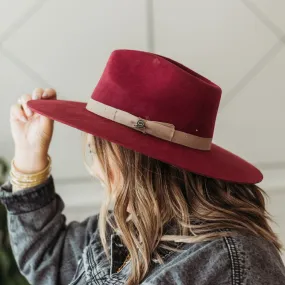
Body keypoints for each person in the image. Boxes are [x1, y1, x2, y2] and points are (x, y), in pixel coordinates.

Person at [0, 49, 285, 285]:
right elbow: (52, 261)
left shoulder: (233, 261)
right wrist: (28, 154)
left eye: (95, 151)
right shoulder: (126, 224)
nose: (95, 170)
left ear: (128, 162)